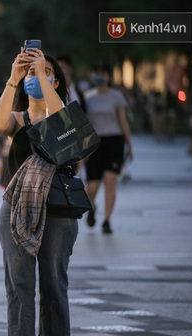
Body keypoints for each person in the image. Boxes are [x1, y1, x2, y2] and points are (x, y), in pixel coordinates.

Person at [0, 47, 76, 336]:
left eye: (46, 72)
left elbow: (62, 124)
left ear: (55, 79)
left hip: (58, 208)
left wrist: (41, 72)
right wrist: (15, 78)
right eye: (33, 72)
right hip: (15, 211)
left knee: (54, 281)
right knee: (19, 283)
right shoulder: (18, 120)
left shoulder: (67, 114)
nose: (37, 77)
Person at [83, 62, 133, 234]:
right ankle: (91, 206)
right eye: (96, 72)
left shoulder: (117, 96)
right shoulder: (87, 97)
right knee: (92, 185)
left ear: (109, 76)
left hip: (114, 141)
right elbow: (83, 124)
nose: (100, 76)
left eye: (103, 73)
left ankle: (107, 220)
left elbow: (123, 122)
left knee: (111, 180)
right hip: (93, 142)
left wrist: (129, 145)